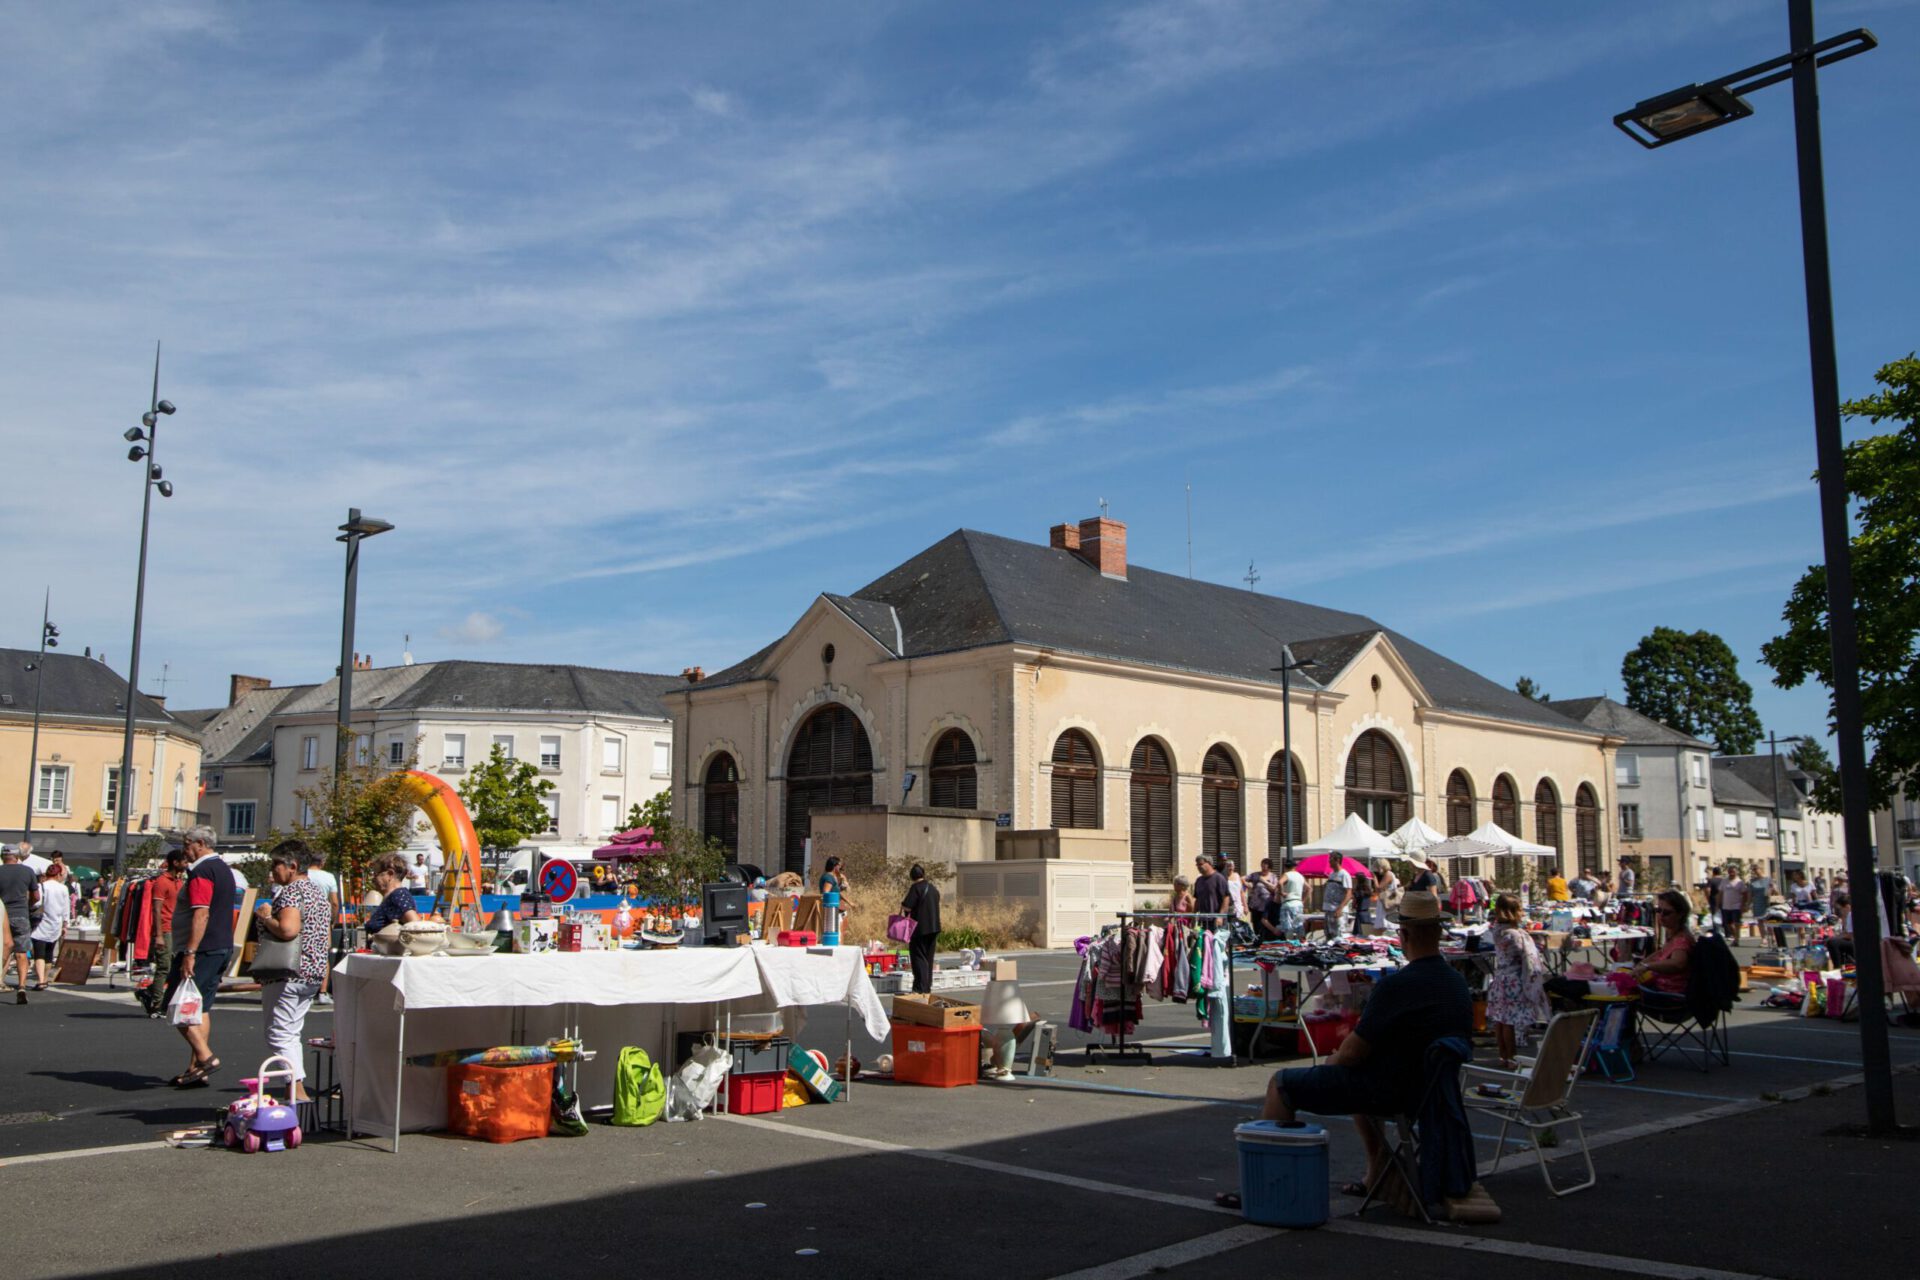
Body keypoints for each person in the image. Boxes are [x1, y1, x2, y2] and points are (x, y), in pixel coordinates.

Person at [1261, 892, 1471, 1198]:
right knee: (1364, 1072)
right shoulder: (1457, 985)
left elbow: (1351, 1052)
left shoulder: (1397, 986)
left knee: (1281, 1083)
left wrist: (1331, 1061)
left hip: (1391, 1091)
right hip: (1434, 1094)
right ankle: (1376, 1171)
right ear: (1439, 933)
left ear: (1404, 935)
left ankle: (1269, 1184)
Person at [159, 826, 237, 1087]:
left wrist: (190, 951)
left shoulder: (202, 871)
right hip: (220, 944)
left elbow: (201, 912)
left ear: (200, 843)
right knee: (201, 1006)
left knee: (175, 1003)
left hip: (203, 948)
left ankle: (205, 1057)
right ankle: (196, 1068)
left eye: (187, 844)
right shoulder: (224, 869)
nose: (185, 850)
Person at [253, 841, 330, 1101]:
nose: (273, 870)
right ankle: (295, 1091)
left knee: (278, 1032)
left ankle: (296, 1089)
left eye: (276, 864)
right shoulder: (317, 892)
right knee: (291, 1031)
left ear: (293, 866)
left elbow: (287, 929)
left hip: (288, 971)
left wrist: (265, 917)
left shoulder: (291, 892)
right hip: (312, 971)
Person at [1486, 892, 1548, 1069]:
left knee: (1500, 1019)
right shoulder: (1516, 935)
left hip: (1500, 979)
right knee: (1509, 1021)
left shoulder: (1497, 930)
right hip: (1515, 981)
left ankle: (1503, 1055)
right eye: (1519, 909)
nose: (1522, 913)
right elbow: (1528, 958)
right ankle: (1512, 1058)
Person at [143, 847, 187, 1016]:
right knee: (164, 967)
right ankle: (156, 1004)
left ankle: (157, 996)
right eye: (184, 861)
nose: (186, 864)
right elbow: (156, 909)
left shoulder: (179, 881)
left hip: (177, 930)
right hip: (166, 929)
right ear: (175, 863)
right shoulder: (162, 882)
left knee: (175, 968)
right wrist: (159, 935)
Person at [1636, 889, 1696, 995]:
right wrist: (1641, 965)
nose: (1661, 915)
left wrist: (1648, 967)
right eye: (1659, 911)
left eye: (1667, 912)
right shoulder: (1673, 933)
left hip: (1670, 994)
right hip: (1662, 988)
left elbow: (1677, 964)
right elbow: (1661, 952)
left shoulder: (1682, 939)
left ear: (1680, 914)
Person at [0, 847, 40, 1002]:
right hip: (21, 915)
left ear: (3, 857)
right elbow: (36, 896)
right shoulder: (28, 871)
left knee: (3, 948)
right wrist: (28, 905)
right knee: (21, 953)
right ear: (16, 856)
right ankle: (22, 986)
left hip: (2, 914)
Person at [303, 855, 342, 1006]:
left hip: (303, 917)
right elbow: (334, 902)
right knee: (323, 955)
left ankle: (304, 991)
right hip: (322, 918)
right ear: (322, 862)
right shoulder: (328, 877)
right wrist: (331, 921)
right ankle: (322, 992)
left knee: (302, 953)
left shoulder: (303, 874)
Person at [900, 864, 942, 995]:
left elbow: (907, 906)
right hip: (934, 927)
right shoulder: (933, 888)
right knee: (929, 958)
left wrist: (902, 907)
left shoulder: (915, 888)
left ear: (912, 876)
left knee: (918, 958)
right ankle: (927, 987)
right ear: (923, 874)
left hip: (919, 929)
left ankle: (920, 988)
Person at [29, 864, 71, 990]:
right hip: (56, 924)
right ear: (58, 875)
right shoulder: (63, 888)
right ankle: (45, 979)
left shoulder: (41, 886)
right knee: (49, 953)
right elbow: (66, 908)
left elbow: (36, 903)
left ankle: (41, 980)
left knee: (39, 954)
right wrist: (65, 924)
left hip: (41, 924)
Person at [364, 852, 422, 936]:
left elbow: (417, 927)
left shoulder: (398, 896)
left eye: (375, 874)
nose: (373, 879)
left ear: (390, 874)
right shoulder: (392, 897)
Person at [1320, 858, 1351, 939]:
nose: (1329, 862)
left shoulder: (1344, 874)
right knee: (1329, 935)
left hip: (1337, 910)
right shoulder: (1332, 874)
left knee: (1339, 936)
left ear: (1337, 861)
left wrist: (1340, 908)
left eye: (1331, 860)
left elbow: (1349, 893)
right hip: (1329, 909)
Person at [1278, 858, 1306, 939]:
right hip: (1298, 903)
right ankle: (1301, 943)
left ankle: (1290, 944)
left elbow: (1280, 882)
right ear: (1295, 867)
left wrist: (1281, 892)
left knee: (1288, 928)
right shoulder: (1300, 876)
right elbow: (1309, 888)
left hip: (1288, 903)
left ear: (1285, 867)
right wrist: (1303, 900)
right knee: (1299, 926)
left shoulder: (1287, 874)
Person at [1718, 869, 1748, 945]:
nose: (1731, 873)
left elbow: (1745, 894)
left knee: (1736, 923)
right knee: (1728, 924)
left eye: (1733, 872)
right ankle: (1735, 937)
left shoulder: (1739, 882)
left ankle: (1736, 940)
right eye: (1730, 871)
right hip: (1726, 906)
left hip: (1736, 906)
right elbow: (1720, 893)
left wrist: (1743, 904)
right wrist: (1718, 903)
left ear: (1736, 872)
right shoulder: (1724, 881)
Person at [1220, 856, 1247, 922]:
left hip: (1238, 905)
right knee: (1229, 924)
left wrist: (1245, 906)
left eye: (1231, 866)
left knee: (1240, 924)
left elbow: (1242, 892)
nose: (1230, 868)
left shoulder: (1237, 875)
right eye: (1228, 866)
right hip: (1228, 905)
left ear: (1234, 867)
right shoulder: (1223, 877)